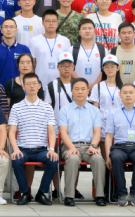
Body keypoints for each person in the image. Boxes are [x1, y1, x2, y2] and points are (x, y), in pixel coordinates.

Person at [9, 72, 60, 206]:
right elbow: (12, 131)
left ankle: (41, 193)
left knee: (53, 160)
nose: (31, 86)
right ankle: (25, 193)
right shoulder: (16, 107)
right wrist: (15, 149)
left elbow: (51, 131)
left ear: (39, 86)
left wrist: (51, 149)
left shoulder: (47, 107)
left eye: (34, 83)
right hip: (23, 149)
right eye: (28, 84)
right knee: (16, 160)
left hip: (41, 150)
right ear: (23, 87)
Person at [57, 78, 106, 206]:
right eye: (77, 89)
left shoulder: (94, 110)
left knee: (98, 159)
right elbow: (63, 133)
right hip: (70, 146)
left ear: (88, 91)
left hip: (89, 146)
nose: (80, 92)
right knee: (72, 159)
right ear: (72, 91)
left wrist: (93, 146)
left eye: (83, 89)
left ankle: (100, 196)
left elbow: (97, 132)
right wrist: (71, 147)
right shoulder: (65, 110)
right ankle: (69, 196)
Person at [104, 83, 135, 207]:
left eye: (131, 92)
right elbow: (109, 136)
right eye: (125, 93)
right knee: (115, 157)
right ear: (120, 95)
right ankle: (122, 193)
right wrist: (108, 156)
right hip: (119, 147)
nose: (128, 95)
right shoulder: (113, 113)